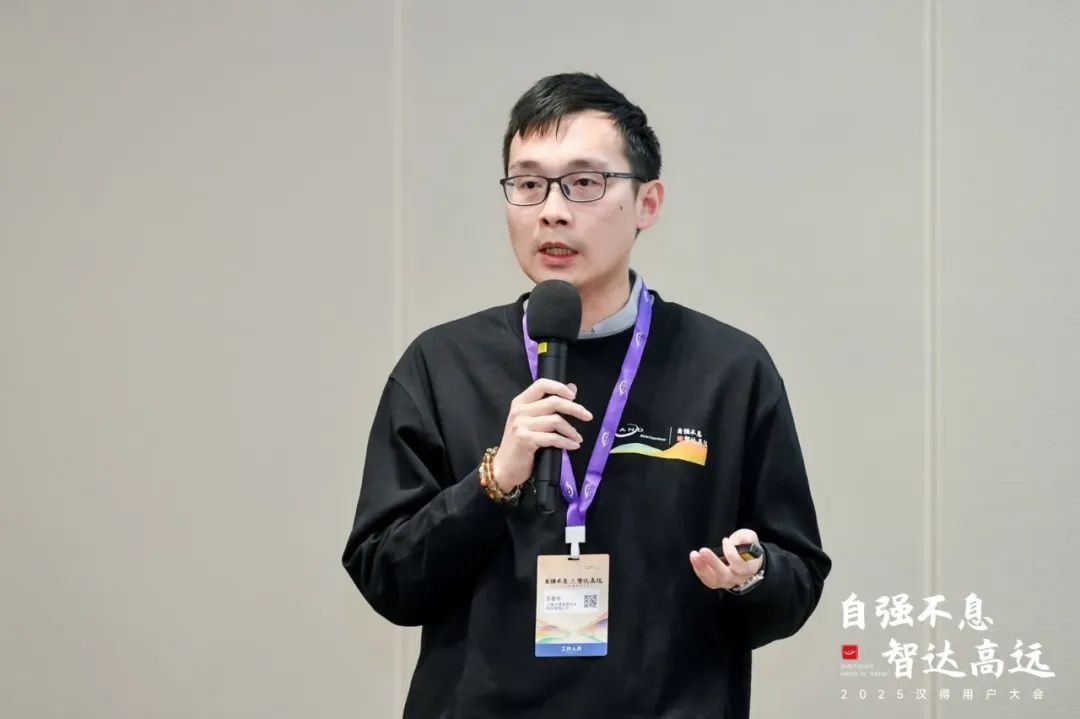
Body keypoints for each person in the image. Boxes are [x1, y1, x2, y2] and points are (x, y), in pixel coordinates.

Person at [342, 72, 831, 719]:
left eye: (584, 183)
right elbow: (387, 578)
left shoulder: (729, 369)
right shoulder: (442, 364)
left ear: (648, 202)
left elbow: (797, 576)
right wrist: (492, 481)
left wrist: (753, 574)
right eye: (528, 184)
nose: (552, 210)